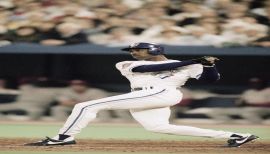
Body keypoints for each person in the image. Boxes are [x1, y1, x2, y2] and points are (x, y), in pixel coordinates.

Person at [25, 42, 258, 147]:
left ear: (155, 49)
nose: (134, 52)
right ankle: (236, 134)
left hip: (163, 93)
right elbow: (152, 69)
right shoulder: (125, 63)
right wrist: (195, 60)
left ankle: (64, 138)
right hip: (144, 94)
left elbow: (211, 79)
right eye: (133, 50)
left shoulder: (186, 65)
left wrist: (208, 65)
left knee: (85, 106)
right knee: (159, 128)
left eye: (139, 49)